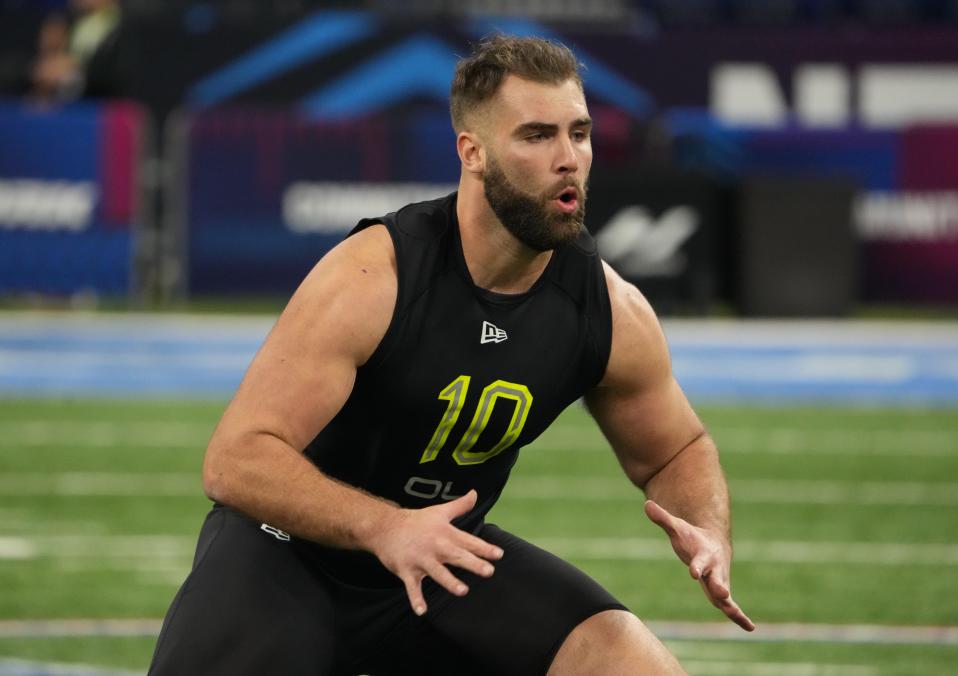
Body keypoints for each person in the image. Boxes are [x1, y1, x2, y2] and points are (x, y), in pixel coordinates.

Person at [149, 34, 754, 675]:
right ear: (473, 153)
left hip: (441, 559)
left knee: (629, 664)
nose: (568, 158)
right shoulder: (373, 276)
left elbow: (677, 449)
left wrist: (708, 529)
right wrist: (386, 527)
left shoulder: (606, 308)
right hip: (288, 553)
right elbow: (236, 461)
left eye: (579, 133)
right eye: (536, 136)